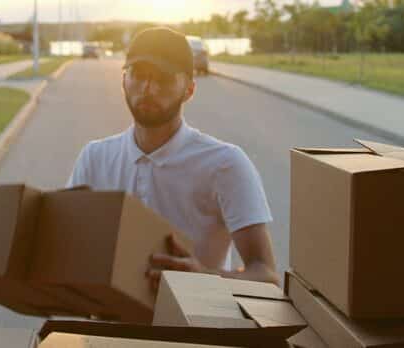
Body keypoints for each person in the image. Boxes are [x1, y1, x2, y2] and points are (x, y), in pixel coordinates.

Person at [67, 27, 279, 289]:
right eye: (139, 75)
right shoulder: (94, 158)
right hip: (110, 325)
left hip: (191, 327)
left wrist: (204, 279)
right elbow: (69, 247)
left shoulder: (225, 164)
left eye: (164, 79)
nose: (148, 88)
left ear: (189, 90)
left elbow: (266, 275)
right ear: (123, 81)